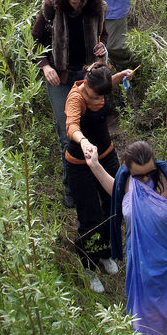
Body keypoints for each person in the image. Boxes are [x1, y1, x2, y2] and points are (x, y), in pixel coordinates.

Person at [85, 139, 167, 335]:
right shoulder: (125, 180)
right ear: (126, 167)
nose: (145, 178)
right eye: (139, 175)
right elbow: (117, 193)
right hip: (142, 263)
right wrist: (95, 166)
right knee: (143, 314)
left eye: (150, 172)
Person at [31, 0, 109, 208]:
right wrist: (45, 66)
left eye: (81, 2)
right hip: (60, 79)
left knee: (92, 130)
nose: (77, 6)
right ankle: (71, 191)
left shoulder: (97, 8)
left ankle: (96, 182)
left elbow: (102, 34)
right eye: (74, 2)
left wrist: (102, 46)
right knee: (68, 135)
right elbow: (33, 40)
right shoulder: (51, 8)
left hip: (87, 76)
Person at [64, 61, 133, 291]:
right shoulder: (76, 98)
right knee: (90, 217)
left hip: (106, 155)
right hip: (80, 163)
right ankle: (89, 265)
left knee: (114, 207)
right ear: (86, 84)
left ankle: (105, 254)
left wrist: (120, 75)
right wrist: (83, 141)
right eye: (94, 96)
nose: (96, 100)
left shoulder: (98, 84)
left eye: (101, 96)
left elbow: (107, 83)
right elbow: (71, 125)